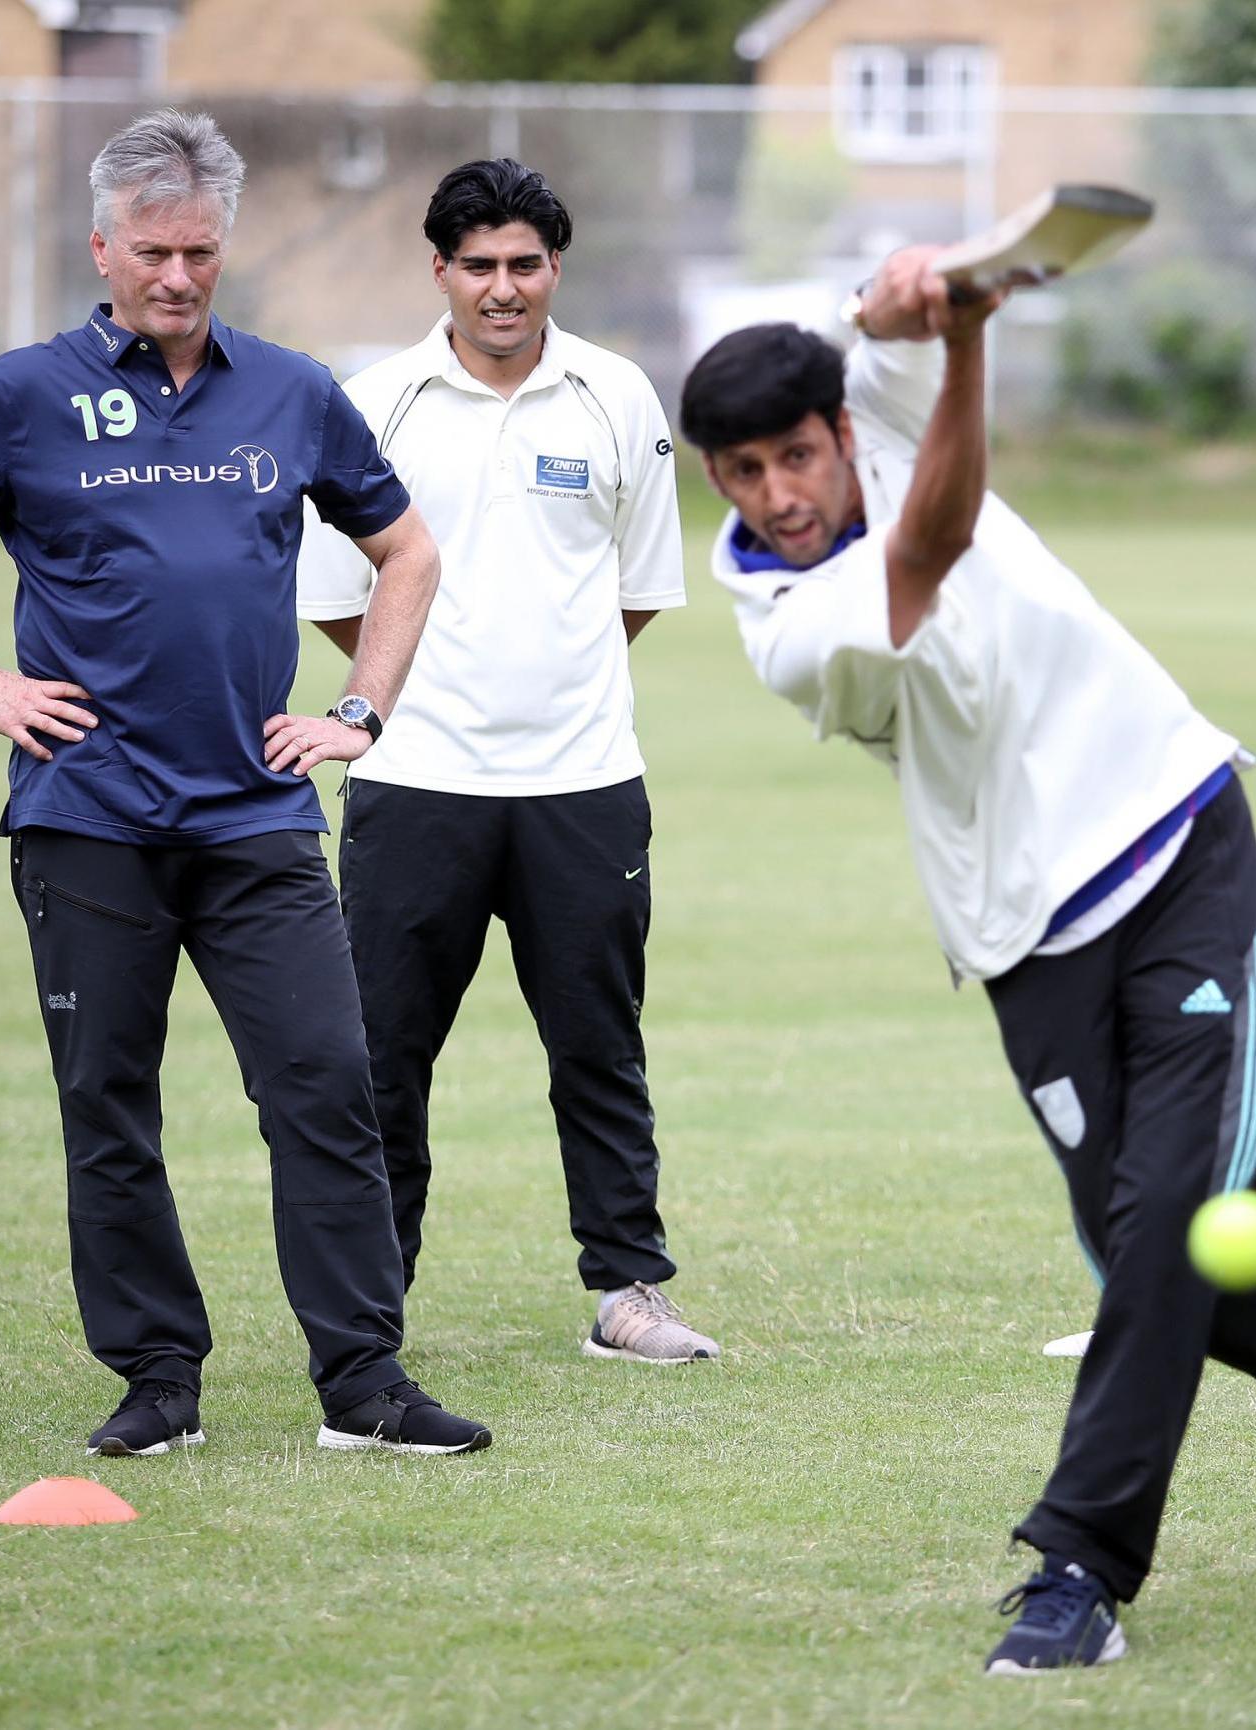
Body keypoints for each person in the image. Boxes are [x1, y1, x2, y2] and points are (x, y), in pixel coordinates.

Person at [676, 251, 1256, 1673]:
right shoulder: (789, 625)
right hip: (1022, 934)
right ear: (719, 483)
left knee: (1174, 1240)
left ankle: (1079, 1562)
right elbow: (930, 540)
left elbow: (878, 330)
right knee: (1167, 1261)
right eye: (745, 472)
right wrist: (969, 343)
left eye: (798, 455)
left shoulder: (872, 402)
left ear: (836, 430)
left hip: (1176, 845)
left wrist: (901, 310)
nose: (780, 492)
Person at [0, 109, 491, 1459]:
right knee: (108, 1103)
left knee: (325, 1085)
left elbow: (406, 552)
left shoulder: (292, 391)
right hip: (86, 819)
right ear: (101, 248)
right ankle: (158, 1379)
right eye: (153, 252)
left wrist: (358, 707)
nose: (177, 277)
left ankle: (363, 1382)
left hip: (256, 818)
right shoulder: (19, 394)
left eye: (199, 251)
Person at [295, 159, 718, 1364]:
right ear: (437, 270)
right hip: (413, 781)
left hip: (583, 785)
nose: (500, 287)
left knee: (598, 1045)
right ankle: (371, 1310)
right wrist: (432, 697)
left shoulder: (617, 394)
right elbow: (340, 597)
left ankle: (628, 1288)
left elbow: (633, 592)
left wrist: (545, 682)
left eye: (522, 264)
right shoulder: (373, 401)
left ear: (553, 270)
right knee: (381, 1057)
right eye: (476, 265)